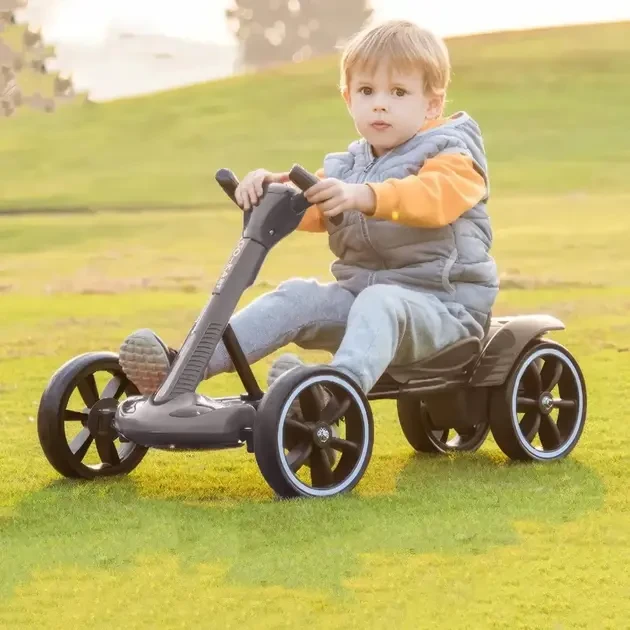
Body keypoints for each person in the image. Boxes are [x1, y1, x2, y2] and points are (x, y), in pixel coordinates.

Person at [118, 19, 499, 397]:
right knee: (297, 295)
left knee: (381, 300)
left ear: (432, 104)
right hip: (362, 302)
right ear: (349, 99)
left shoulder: (453, 155)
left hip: (446, 314)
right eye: (367, 90)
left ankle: (331, 394)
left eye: (399, 92)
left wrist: (363, 196)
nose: (380, 103)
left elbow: (433, 199)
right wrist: (267, 189)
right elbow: (309, 203)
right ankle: (182, 369)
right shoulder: (350, 166)